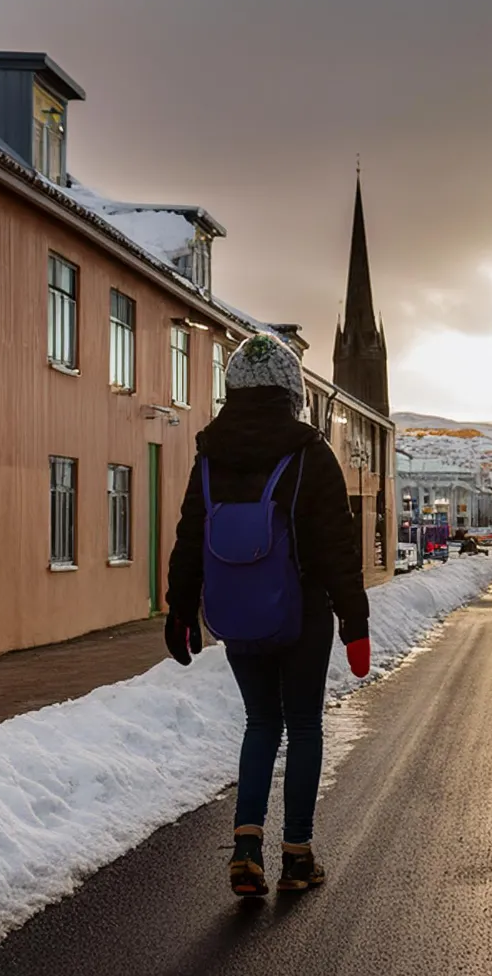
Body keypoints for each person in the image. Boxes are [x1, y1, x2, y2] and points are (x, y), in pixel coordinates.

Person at [164, 333, 372, 898]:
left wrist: (180, 608)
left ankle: (247, 847)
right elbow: (336, 548)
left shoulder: (210, 453)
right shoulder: (310, 451)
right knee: (302, 725)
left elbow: (190, 536)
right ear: (291, 390)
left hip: (238, 613)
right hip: (302, 612)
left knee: (261, 723)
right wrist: (355, 622)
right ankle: (298, 856)